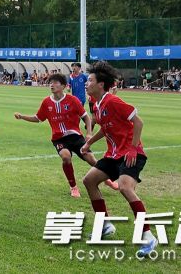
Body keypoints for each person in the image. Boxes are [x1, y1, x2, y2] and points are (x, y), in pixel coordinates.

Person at [80, 61, 157, 257]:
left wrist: (133, 148)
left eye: (90, 80)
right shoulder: (98, 104)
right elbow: (105, 129)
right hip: (114, 155)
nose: (86, 83)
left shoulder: (113, 101)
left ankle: (148, 236)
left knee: (125, 187)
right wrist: (89, 143)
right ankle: (105, 225)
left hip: (131, 154)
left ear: (101, 84)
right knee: (89, 180)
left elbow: (138, 122)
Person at [13, 73, 118, 197]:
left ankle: (107, 180)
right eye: (51, 82)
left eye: (55, 82)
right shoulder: (47, 102)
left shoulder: (72, 100)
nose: (52, 85)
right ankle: (73, 187)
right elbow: (38, 118)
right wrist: (22, 116)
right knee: (66, 157)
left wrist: (89, 133)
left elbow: (86, 118)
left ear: (63, 86)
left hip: (75, 137)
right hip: (59, 139)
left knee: (90, 158)